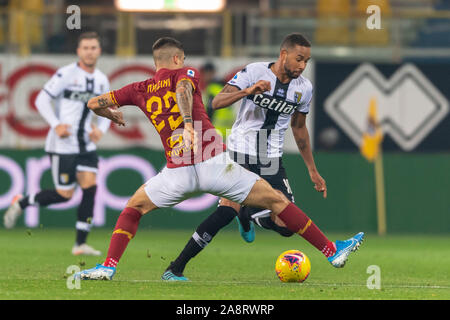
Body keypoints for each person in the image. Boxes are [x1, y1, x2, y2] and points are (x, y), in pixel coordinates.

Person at [74, 36, 363, 281]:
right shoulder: (185, 74)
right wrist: (188, 123)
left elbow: (92, 103)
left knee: (134, 208)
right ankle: (332, 252)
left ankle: (107, 267)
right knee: (278, 202)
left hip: (177, 173)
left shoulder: (137, 89)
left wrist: (109, 114)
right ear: (177, 58)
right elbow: (183, 89)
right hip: (213, 162)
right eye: (183, 58)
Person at [163, 33, 364, 280]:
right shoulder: (254, 71)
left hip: (271, 158)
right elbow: (217, 102)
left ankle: (247, 215)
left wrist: (312, 169)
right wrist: (248, 90)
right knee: (226, 211)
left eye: (307, 61)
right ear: (283, 54)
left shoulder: (304, 89)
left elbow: (299, 128)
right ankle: (176, 267)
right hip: (241, 151)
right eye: (299, 59)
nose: (302, 66)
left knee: (287, 225)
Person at [3, 31, 111, 256]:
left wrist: (100, 129)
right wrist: (55, 124)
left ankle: (80, 244)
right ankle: (22, 202)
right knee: (65, 195)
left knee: (90, 188)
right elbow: (41, 99)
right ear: (78, 51)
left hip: (86, 145)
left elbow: (108, 109)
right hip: (63, 145)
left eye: (94, 48)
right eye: (86, 48)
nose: (90, 52)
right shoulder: (66, 74)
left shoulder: (101, 79)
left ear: (99, 51)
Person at [200, 62, 235, 138]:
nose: (204, 77)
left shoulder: (212, 88)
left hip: (216, 129)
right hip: (228, 129)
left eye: (205, 73)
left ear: (211, 73)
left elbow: (210, 109)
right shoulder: (223, 86)